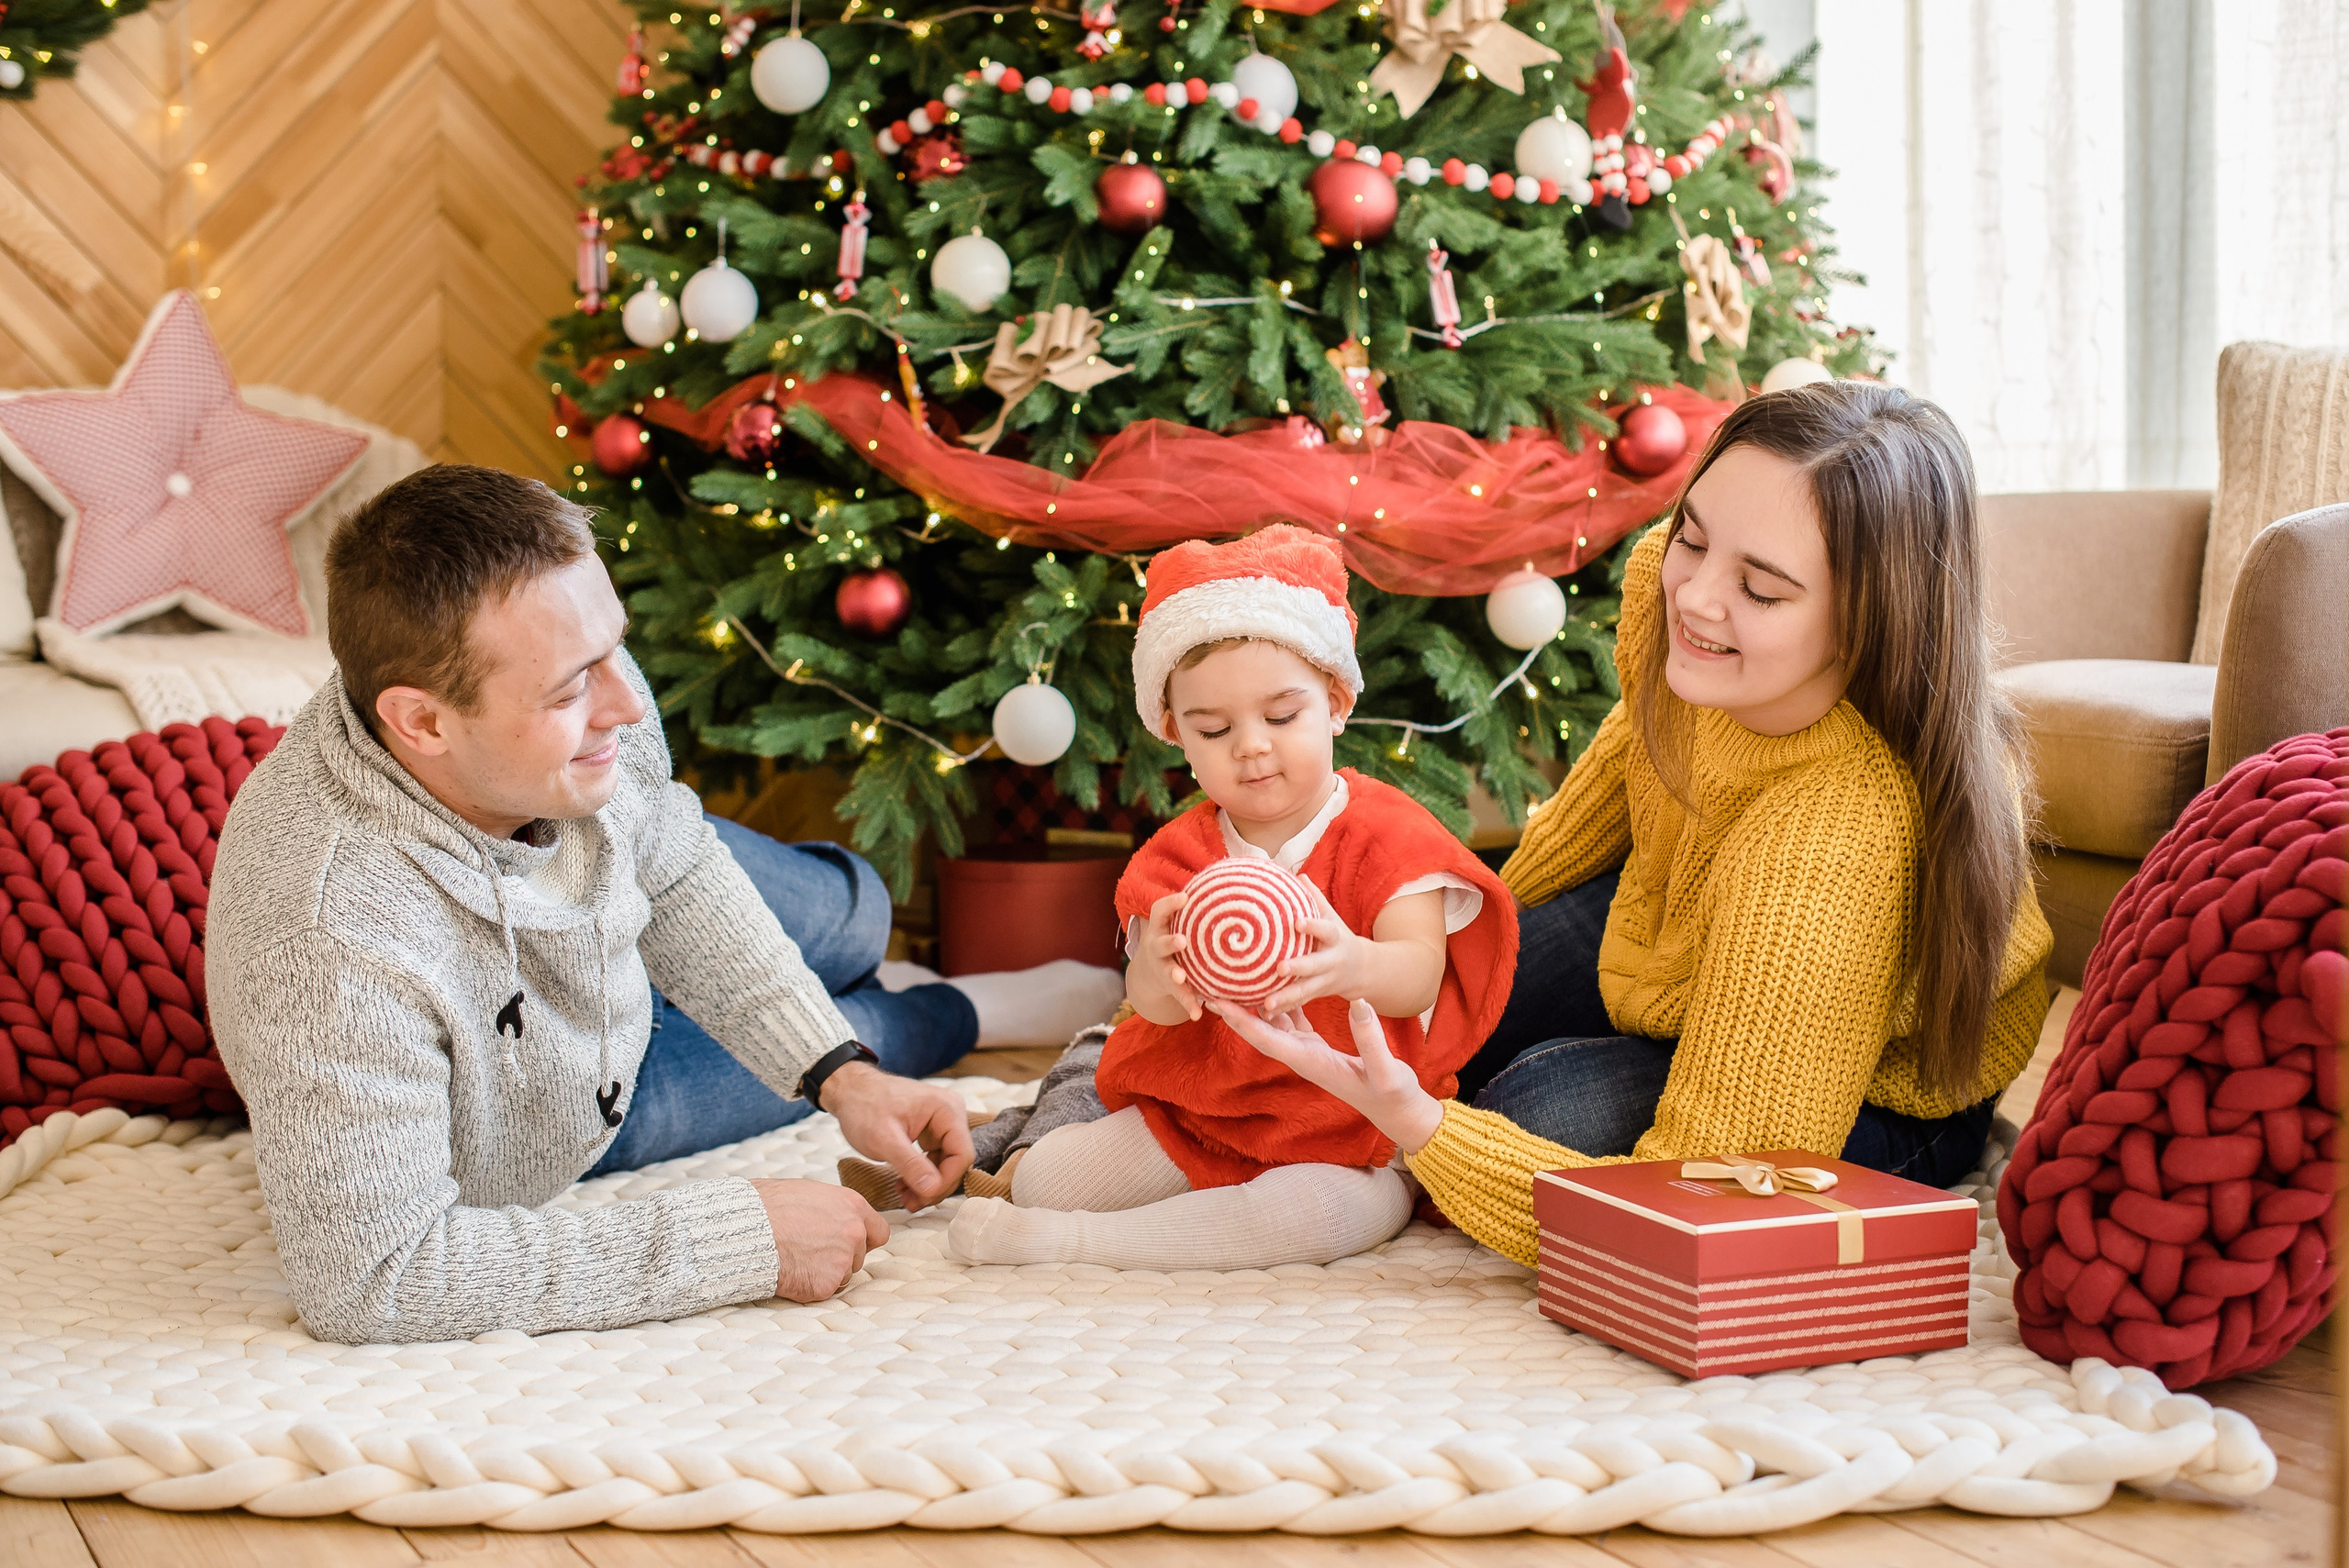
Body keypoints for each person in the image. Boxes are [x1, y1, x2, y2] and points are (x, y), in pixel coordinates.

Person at [208, 465, 1117, 1344]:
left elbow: (673, 865)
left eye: (616, 647)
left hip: (606, 932)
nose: (628, 705)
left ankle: (860, 975)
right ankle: (956, 1002)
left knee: (855, 920)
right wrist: (738, 1240)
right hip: (546, 1101)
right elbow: (372, 1280)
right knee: (884, 1024)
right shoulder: (333, 940)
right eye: (571, 689)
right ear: (423, 721)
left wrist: (840, 1069)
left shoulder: (576, 685)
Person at [1214, 382, 2054, 1267]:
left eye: (1760, 590)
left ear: (1871, 623)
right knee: (1428, 991)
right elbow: (1618, 774)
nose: (1694, 596)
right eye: (1692, 537)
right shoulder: (1680, 599)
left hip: (1884, 1087)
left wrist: (1422, 1127)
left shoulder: (1836, 833)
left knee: (1528, 1109)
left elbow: (1714, 1202)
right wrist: (1438, 940)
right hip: (1695, 927)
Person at [945, 526, 1518, 1269]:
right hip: (1204, 1112)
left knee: (1324, 1214)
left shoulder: (1387, 836)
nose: (1251, 745)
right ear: (1176, 732)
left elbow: (1416, 980)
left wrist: (1352, 962)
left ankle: (1084, 1246)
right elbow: (1148, 1007)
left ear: (1337, 702)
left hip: (1349, 1132)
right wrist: (1156, 967)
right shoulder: (1180, 856)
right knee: (1052, 1175)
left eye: (1282, 716)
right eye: (1215, 729)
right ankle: (1112, 1205)